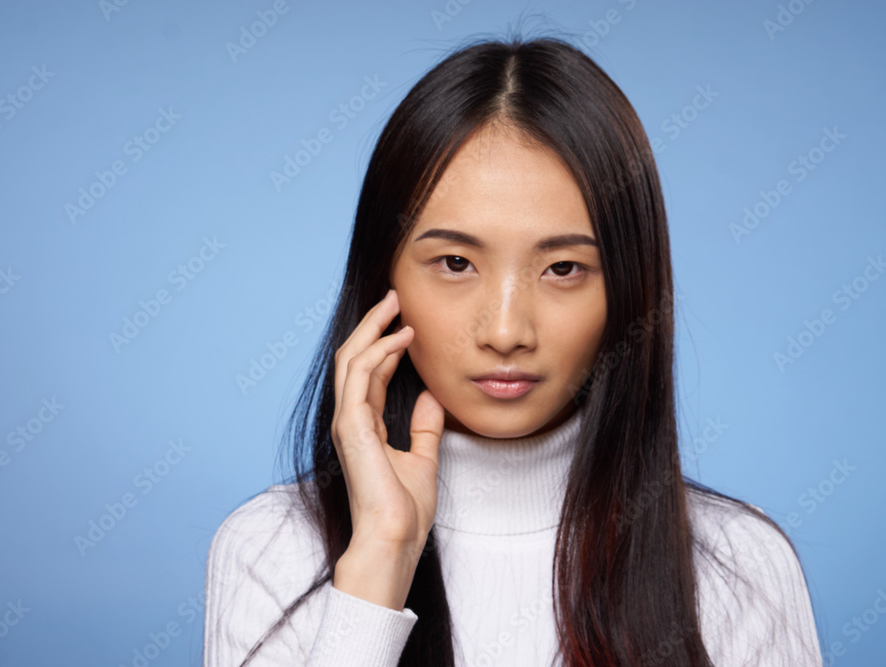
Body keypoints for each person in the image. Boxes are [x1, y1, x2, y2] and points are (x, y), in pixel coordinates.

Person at [203, 33, 822, 666]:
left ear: (630, 292)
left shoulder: (741, 567)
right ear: (381, 280)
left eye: (562, 269)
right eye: (454, 261)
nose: (505, 331)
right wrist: (378, 564)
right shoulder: (271, 550)